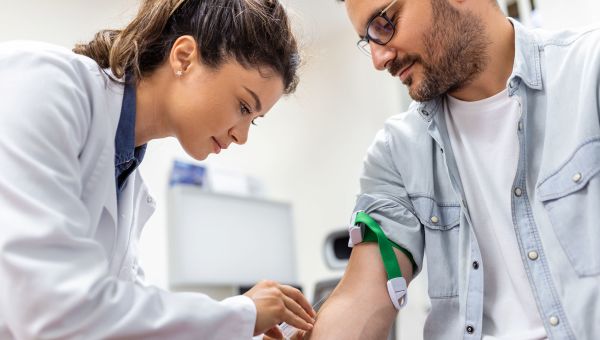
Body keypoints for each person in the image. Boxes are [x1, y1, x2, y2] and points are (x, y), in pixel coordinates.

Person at [0, 0, 316, 339]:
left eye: (254, 120)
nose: (242, 136)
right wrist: (241, 313)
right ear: (184, 58)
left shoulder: (129, 183)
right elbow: (52, 308)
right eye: (242, 106)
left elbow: (122, 325)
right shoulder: (42, 83)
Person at [298, 0, 600, 339]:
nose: (379, 59)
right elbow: (362, 296)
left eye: (384, 24)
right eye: (367, 41)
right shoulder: (396, 152)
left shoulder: (589, 73)